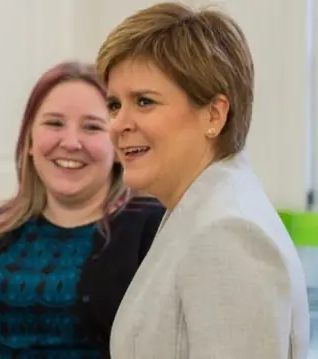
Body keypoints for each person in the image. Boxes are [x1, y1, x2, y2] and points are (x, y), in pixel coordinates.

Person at [96, 3, 310, 358]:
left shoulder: (228, 233)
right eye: (115, 105)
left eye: (145, 102)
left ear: (214, 114)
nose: (119, 124)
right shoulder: (196, 211)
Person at [0, 61, 165, 359]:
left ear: (118, 145)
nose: (70, 142)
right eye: (54, 123)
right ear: (29, 141)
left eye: (92, 127)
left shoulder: (153, 229)